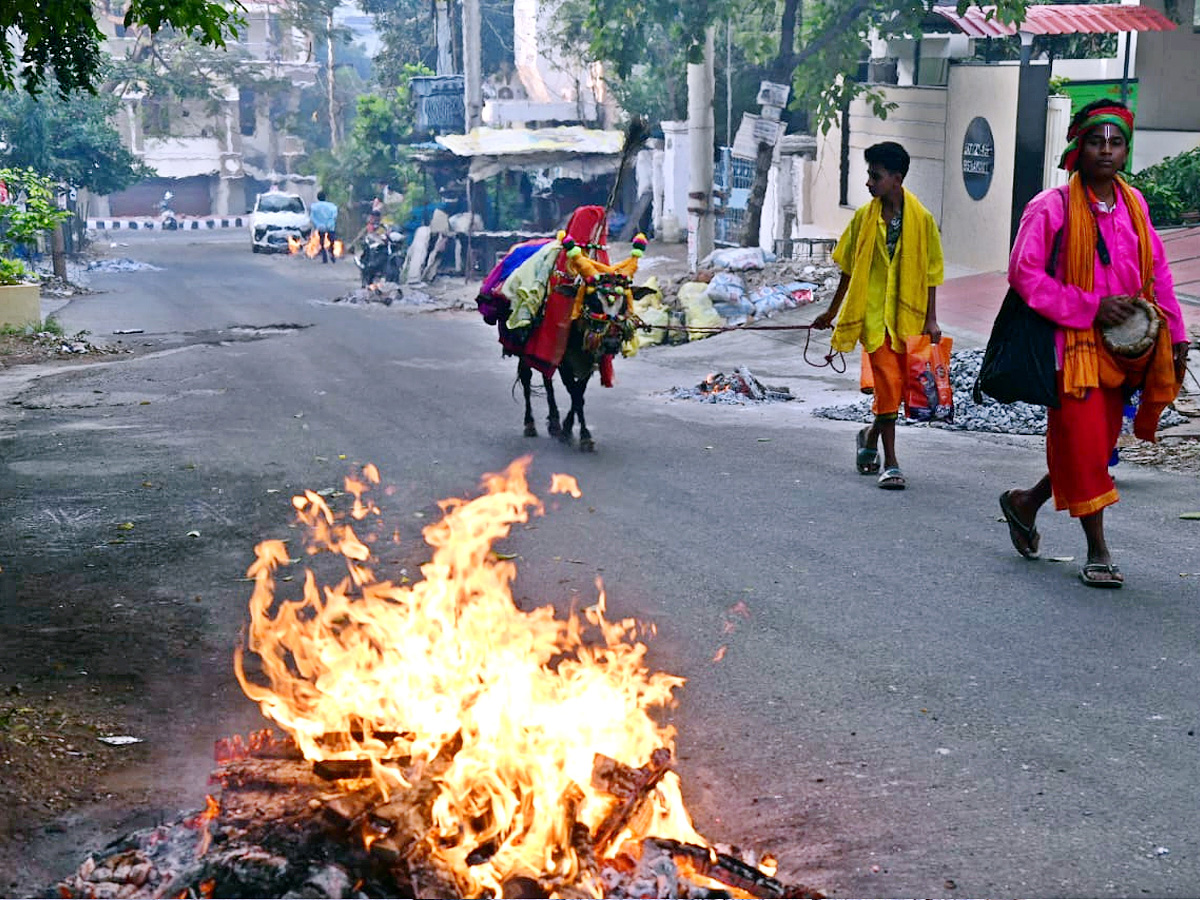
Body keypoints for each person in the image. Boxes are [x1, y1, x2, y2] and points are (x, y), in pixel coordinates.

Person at [997, 99, 1189, 589]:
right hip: (1071, 349)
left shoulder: (1134, 203)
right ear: (1077, 149)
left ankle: (1025, 502)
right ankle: (1098, 549)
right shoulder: (1051, 206)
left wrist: (1177, 335)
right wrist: (1090, 306)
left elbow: (1158, 273)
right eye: (1095, 141)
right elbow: (1024, 274)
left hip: (1127, 351)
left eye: (1116, 141)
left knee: (1094, 448)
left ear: (1126, 150)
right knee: (1084, 444)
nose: (1106, 150)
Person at [812, 141, 945, 490]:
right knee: (888, 383)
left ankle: (869, 438)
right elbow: (847, 268)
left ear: (896, 179)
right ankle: (892, 462)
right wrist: (832, 311)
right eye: (869, 176)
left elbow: (931, 273)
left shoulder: (923, 220)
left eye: (875, 176)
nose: (868, 184)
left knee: (899, 390)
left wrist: (931, 320)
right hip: (872, 318)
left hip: (907, 318)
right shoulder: (863, 218)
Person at [310, 191, 339, 264]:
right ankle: (332, 252)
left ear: (318, 198)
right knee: (332, 240)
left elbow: (312, 217)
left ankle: (324, 256)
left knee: (322, 241)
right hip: (330, 226)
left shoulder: (314, 206)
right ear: (325, 197)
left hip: (320, 226)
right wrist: (330, 222)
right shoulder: (332, 206)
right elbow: (334, 215)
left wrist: (317, 224)